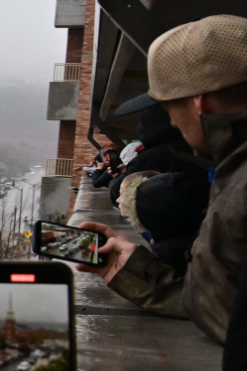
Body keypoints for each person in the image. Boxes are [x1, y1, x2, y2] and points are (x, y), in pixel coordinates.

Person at [78, 17, 247, 343]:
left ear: (200, 101)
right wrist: (137, 272)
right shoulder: (233, 173)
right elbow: (229, 309)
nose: (171, 121)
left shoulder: (240, 192)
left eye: (168, 107)